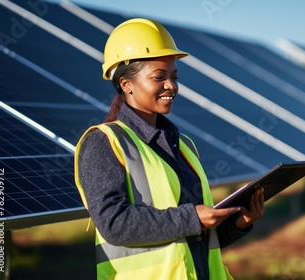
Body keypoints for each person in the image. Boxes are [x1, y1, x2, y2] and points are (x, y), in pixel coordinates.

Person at [74, 18, 264, 280]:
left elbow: (193, 241)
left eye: (174, 77)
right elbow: (114, 224)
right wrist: (192, 219)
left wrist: (239, 223)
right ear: (126, 84)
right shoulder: (104, 142)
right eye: (159, 77)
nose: (171, 86)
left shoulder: (183, 145)